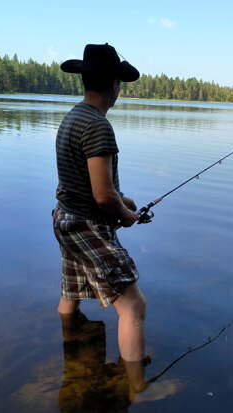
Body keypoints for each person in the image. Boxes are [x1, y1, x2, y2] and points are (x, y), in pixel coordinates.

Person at [53, 43, 146, 363]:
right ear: (114, 85)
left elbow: (86, 182)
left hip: (65, 218)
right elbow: (103, 197)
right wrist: (125, 214)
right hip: (86, 226)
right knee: (133, 306)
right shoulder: (97, 126)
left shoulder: (74, 117)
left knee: (72, 290)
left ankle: (71, 340)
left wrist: (121, 200)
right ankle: (136, 386)